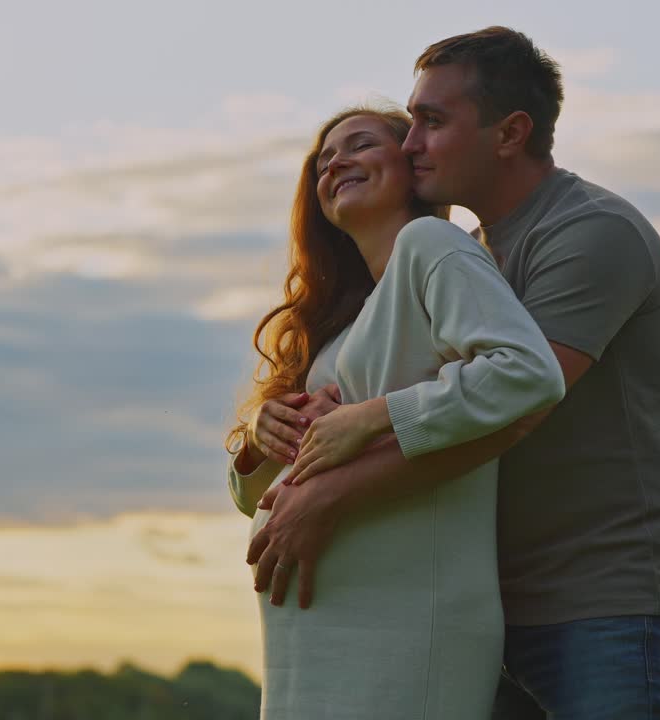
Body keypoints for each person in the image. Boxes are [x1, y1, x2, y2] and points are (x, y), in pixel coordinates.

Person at [248, 27, 660, 719]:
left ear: (509, 133)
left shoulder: (590, 233)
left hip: (609, 604)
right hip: (499, 604)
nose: (410, 144)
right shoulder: (467, 255)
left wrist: (329, 495)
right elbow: (431, 408)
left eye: (431, 123)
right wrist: (271, 439)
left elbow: (519, 411)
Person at [226, 105, 565, 719]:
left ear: (410, 166)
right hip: (315, 635)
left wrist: (372, 416)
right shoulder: (337, 324)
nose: (337, 163)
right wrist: (261, 434)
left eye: (360, 145)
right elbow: (256, 497)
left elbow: (525, 372)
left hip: (409, 621)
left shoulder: (429, 245)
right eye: (324, 160)